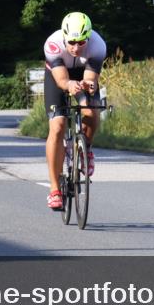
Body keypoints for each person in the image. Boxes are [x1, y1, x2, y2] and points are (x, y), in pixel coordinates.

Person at [43, 12, 107, 211]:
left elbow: (90, 79)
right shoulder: (53, 44)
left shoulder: (98, 45)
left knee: (91, 111)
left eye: (81, 42)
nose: (76, 47)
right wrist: (69, 85)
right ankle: (54, 190)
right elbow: (62, 81)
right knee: (58, 125)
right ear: (64, 36)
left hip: (84, 73)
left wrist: (86, 87)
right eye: (72, 42)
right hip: (58, 75)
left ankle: (85, 149)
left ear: (88, 37)